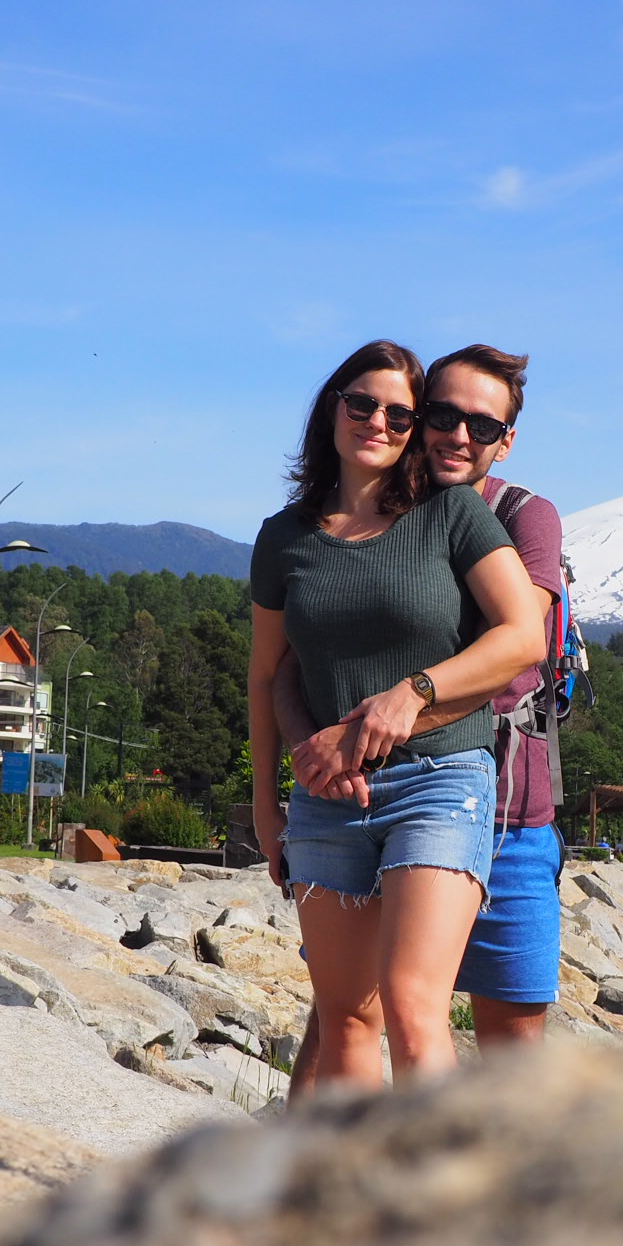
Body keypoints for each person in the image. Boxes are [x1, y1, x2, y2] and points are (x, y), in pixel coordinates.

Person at [248, 340, 545, 1090]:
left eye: (399, 413)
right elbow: (267, 672)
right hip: (326, 799)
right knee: (347, 1014)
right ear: (332, 408)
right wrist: (264, 803)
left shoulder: (450, 512)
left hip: (443, 784)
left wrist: (410, 692)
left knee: (415, 1004)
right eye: (361, 403)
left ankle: (436, 1193)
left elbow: (524, 635)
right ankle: (356, 1194)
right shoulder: (284, 538)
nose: (378, 421)